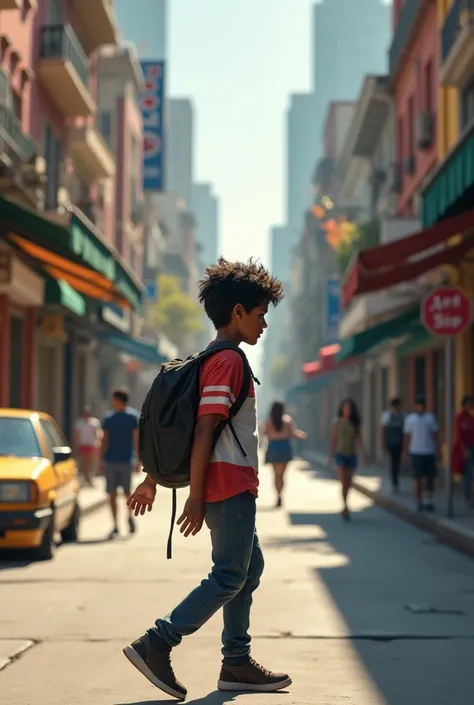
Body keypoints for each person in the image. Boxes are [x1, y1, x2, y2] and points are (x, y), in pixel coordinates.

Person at [124, 258, 290, 701]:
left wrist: (151, 479)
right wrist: (195, 497)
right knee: (230, 574)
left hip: (226, 485)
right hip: (227, 486)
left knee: (247, 568)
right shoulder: (230, 361)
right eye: (260, 314)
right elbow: (202, 428)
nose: (264, 324)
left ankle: (236, 661)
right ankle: (158, 642)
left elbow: (189, 425)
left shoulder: (210, 358)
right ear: (237, 312)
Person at [101, 389, 140, 538]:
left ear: (120, 400)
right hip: (111, 460)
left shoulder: (132, 417)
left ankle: (129, 517)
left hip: (125, 460)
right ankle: (115, 525)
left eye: (114, 399)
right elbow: (104, 439)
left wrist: (137, 460)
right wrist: (101, 458)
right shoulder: (109, 418)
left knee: (126, 492)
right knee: (111, 493)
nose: (113, 402)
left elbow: (136, 439)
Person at [263, 401, 307, 508]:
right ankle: (280, 494)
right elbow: (293, 434)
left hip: (273, 447)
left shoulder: (268, 421)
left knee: (276, 475)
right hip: (284, 447)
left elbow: (265, 434)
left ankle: (277, 494)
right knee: (282, 475)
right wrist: (302, 435)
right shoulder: (287, 420)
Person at [328, 398, 364, 520]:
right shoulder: (337, 422)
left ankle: (346, 501)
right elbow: (333, 440)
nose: (347, 410)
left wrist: (364, 454)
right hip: (340, 455)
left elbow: (359, 439)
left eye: (349, 408)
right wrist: (330, 457)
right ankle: (345, 506)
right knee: (343, 481)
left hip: (352, 455)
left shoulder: (355, 423)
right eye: (345, 408)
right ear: (342, 409)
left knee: (349, 482)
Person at [403, 396, 439, 512]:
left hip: (429, 451)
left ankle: (430, 500)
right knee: (417, 478)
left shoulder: (430, 418)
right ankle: (418, 501)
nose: (420, 408)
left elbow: (435, 434)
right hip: (416, 451)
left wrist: (438, 449)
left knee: (430, 477)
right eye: (418, 405)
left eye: (422, 406)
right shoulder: (410, 419)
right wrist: (405, 451)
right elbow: (407, 436)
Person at [380, 397, 405, 492]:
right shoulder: (387, 416)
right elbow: (383, 430)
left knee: (398, 463)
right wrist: (383, 444)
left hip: (401, 442)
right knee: (394, 462)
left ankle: (396, 480)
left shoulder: (403, 416)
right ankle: (395, 482)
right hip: (392, 443)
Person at [72, 406, 102, 486]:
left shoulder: (94, 422)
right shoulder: (79, 423)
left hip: (91, 444)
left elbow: (97, 433)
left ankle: (89, 477)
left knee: (91, 462)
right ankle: (85, 477)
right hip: (82, 444)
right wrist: (75, 444)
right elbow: (75, 434)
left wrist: (98, 443)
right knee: (83, 462)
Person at [454, 395, 474, 505]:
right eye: (469, 404)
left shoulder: (471, 418)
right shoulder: (460, 418)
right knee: (467, 473)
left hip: (472, 446)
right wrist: (464, 449)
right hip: (465, 449)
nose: (470, 406)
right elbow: (458, 436)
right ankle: (467, 496)